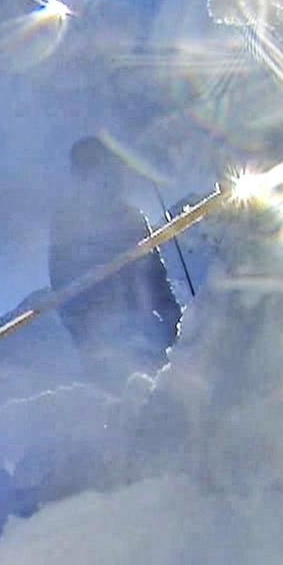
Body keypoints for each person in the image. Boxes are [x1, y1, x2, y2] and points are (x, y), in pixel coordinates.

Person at [47, 136, 183, 383]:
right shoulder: (67, 223)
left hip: (146, 333)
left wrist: (173, 321)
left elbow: (154, 273)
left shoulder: (130, 216)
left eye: (104, 166)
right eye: (91, 168)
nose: (103, 177)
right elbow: (64, 288)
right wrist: (88, 338)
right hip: (105, 341)